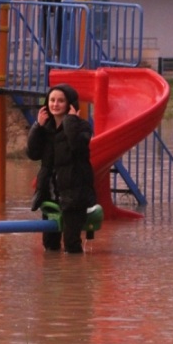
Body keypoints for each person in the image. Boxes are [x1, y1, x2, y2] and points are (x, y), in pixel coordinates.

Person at [26, 83, 97, 254]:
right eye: (52, 100)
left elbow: (78, 147)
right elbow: (33, 153)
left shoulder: (81, 126)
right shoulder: (45, 128)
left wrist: (71, 121)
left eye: (60, 101)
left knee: (72, 244)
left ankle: (73, 278)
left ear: (70, 104)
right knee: (50, 245)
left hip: (74, 194)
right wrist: (37, 126)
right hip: (49, 193)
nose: (55, 104)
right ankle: (54, 279)